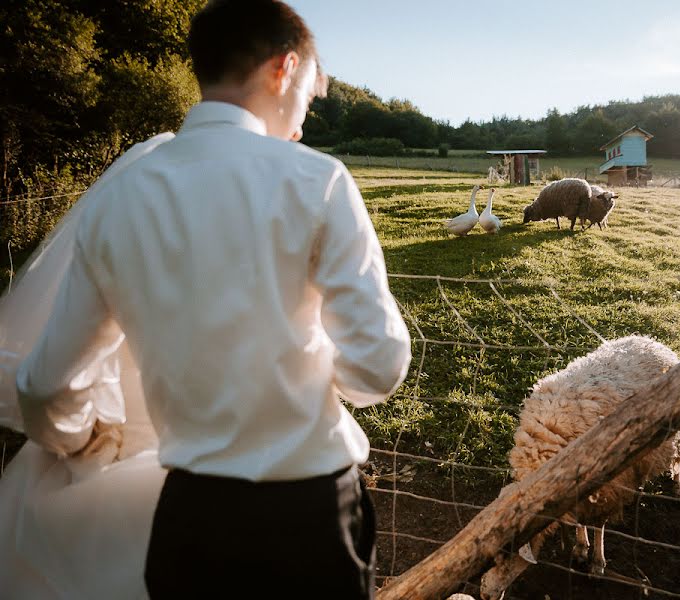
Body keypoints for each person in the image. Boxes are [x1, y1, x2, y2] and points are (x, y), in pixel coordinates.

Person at [6, 0, 412, 598]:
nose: (303, 116)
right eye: (307, 92)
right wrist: (301, 365)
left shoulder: (122, 196)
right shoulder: (318, 179)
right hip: (310, 513)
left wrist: (73, 441)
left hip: (190, 520)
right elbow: (377, 367)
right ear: (284, 69)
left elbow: (44, 384)